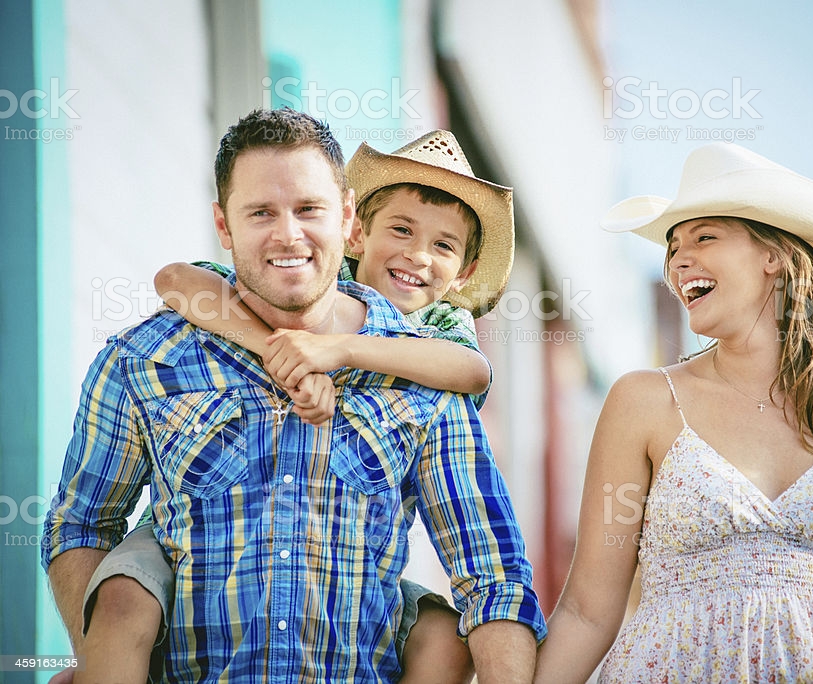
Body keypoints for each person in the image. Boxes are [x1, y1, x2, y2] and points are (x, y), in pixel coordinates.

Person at [43, 109, 545, 684]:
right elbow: (81, 525)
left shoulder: (426, 376)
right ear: (223, 226)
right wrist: (98, 660)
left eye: (309, 209)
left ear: (347, 218)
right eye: (261, 212)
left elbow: (492, 575)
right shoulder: (146, 359)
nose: (288, 234)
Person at [534, 143, 813, 682]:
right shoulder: (643, 400)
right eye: (672, 248)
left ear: (775, 256)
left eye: (705, 236)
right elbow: (586, 610)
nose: (678, 261)